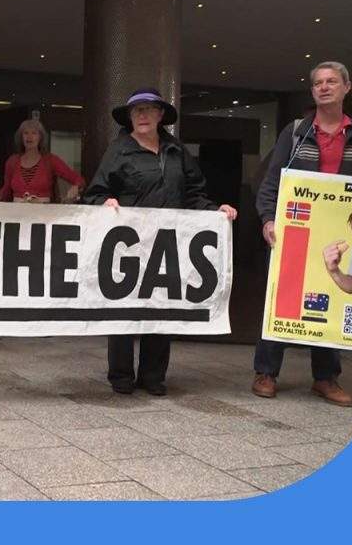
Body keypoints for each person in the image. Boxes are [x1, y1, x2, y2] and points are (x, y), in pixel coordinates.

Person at [253, 61, 352, 407]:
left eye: (332, 81)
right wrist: (268, 220)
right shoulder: (295, 132)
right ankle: (265, 372)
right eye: (318, 82)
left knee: (332, 298)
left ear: (347, 87)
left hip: (342, 231)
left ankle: (325, 378)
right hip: (297, 229)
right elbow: (272, 182)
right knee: (282, 297)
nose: (324, 87)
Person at [83, 88, 238, 396]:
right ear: (129, 117)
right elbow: (95, 193)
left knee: (162, 308)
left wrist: (215, 210)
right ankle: (121, 376)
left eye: (148, 109)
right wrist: (105, 201)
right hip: (128, 245)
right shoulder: (118, 150)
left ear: (160, 115)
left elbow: (194, 193)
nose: (142, 115)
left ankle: (153, 376)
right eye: (136, 111)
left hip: (169, 244)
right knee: (124, 310)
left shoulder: (176, 150)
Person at [0, 119, 84, 203]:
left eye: (34, 133)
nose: (29, 136)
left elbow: (78, 180)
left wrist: (75, 187)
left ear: (40, 137)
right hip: (16, 213)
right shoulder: (12, 161)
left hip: (43, 214)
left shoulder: (51, 160)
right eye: (25, 133)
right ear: (21, 137)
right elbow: (6, 190)